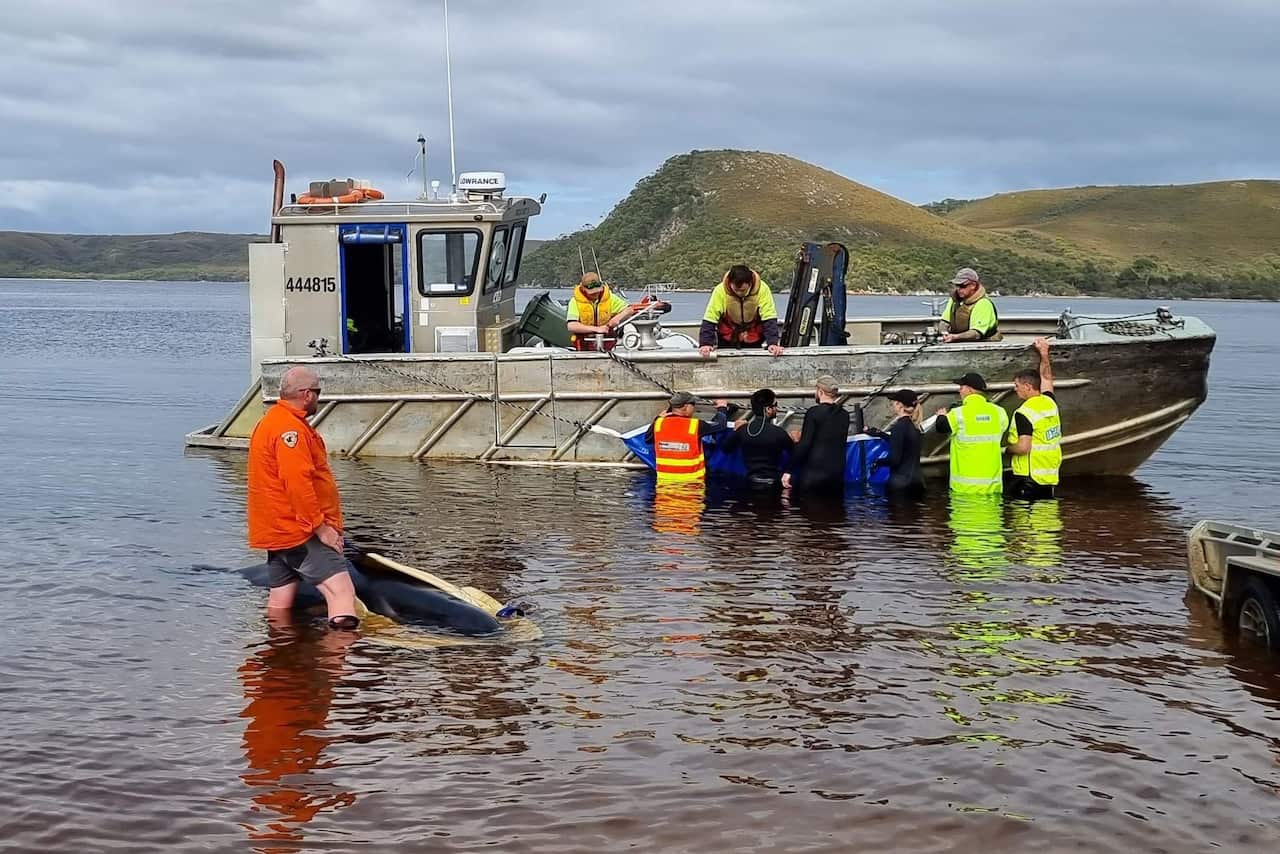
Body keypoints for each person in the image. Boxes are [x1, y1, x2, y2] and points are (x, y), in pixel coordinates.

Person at [247, 366, 359, 630]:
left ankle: (279, 658)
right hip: (299, 532)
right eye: (318, 393)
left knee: (280, 602)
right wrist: (321, 529)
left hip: (277, 532)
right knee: (342, 593)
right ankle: (337, 665)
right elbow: (297, 484)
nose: (318, 399)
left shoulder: (270, 422)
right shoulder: (291, 432)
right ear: (307, 394)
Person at [934, 371, 1009, 494]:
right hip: (993, 488)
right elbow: (1001, 428)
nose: (960, 391)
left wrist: (941, 416)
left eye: (961, 388)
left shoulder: (958, 414)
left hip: (964, 490)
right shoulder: (999, 413)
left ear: (969, 390)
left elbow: (941, 428)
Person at [1006, 337, 1062, 499]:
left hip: (1027, 478)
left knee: (1024, 522)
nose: (1015, 390)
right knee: (1046, 519)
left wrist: (1006, 450)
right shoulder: (1049, 403)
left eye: (1017, 386)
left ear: (1028, 387)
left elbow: (1024, 448)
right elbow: (1046, 378)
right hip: (1048, 477)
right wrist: (1044, 354)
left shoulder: (1024, 413)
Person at [643, 391, 732, 482]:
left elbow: (647, 439)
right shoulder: (695, 425)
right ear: (686, 406)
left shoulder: (658, 424)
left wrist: (658, 417)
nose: (694, 409)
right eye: (693, 405)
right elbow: (720, 425)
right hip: (692, 483)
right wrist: (722, 407)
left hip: (665, 483)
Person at [698, 264, 785, 357]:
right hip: (727, 336)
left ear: (750, 283)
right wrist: (705, 343)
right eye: (736, 290)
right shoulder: (720, 290)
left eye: (743, 290)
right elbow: (710, 318)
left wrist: (772, 343)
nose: (739, 293)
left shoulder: (762, 289)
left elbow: (769, 317)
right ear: (730, 283)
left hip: (753, 336)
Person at [720, 388, 795, 493]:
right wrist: (796, 440)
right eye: (775, 405)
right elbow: (795, 455)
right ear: (768, 409)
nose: (776, 408)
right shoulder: (779, 433)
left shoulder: (743, 430)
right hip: (773, 484)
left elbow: (725, 448)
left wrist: (735, 430)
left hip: (750, 483)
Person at [784, 375, 849, 494]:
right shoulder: (845, 415)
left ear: (820, 392)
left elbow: (805, 444)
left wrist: (788, 470)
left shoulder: (814, 412)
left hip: (814, 474)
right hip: (836, 475)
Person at [869, 388, 925, 498]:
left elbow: (894, 460)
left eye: (894, 402)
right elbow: (905, 445)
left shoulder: (898, 428)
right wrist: (880, 434)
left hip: (900, 484)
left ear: (900, 405)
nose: (892, 405)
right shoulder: (915, 427)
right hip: (918, 482)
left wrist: (876, 462)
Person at [565, 272, 639, 351]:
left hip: (607, 342)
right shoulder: (575, 301)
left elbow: (629, 310)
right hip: (584, 343)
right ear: (583, 289)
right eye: (592, 293)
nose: (596, 294)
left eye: (597, 291)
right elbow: (571, 326)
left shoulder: (609, 298)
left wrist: (617, 318)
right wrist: (596, 329)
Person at [938, 267, 1002, 343]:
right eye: (957, 285)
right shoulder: (954, 300)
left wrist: (955, 337)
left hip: (984, 344)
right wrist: (944, 333)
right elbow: (945, 321)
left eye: (962, 286)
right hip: (959, 342)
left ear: (973, 285)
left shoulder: (983, 304)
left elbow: (976, 333)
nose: (959, 289)